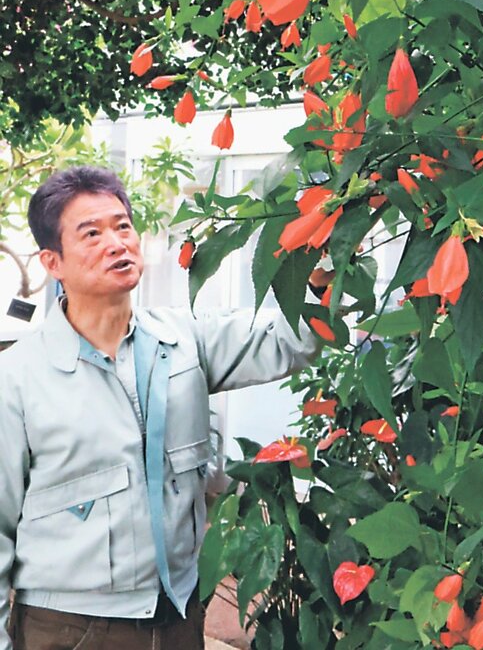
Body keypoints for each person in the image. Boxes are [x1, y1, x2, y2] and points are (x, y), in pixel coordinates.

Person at [0, 166, 323, 650]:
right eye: (92, 233)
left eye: (122, 226)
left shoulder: (183, 340)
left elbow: (289, 340)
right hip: (69, 627)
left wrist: (321, 272)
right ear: (53, 262)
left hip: (178, 617)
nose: (116, 243)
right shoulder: (16, 378)